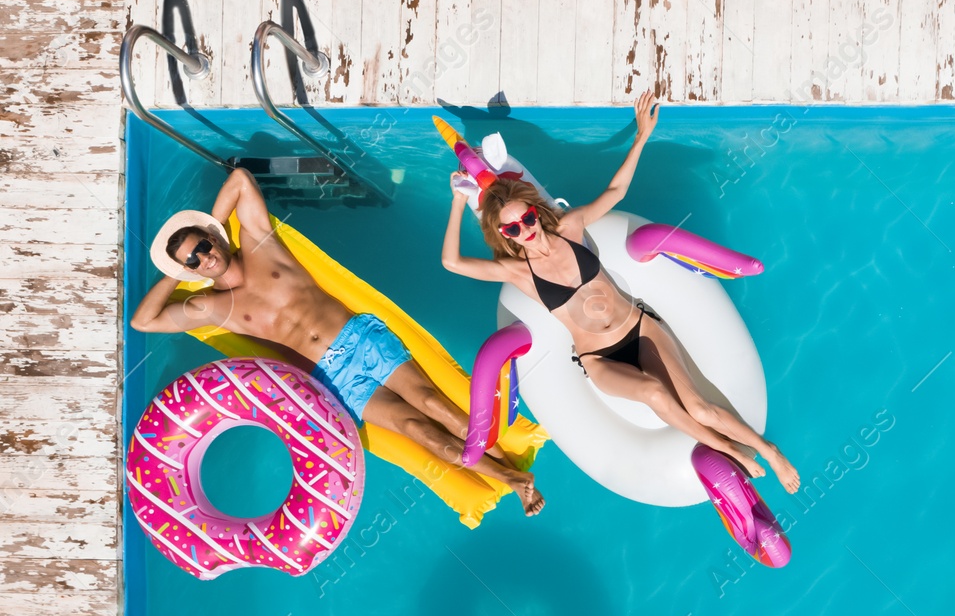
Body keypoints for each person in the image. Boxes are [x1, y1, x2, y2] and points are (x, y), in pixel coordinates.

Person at [439, 90, 800, 493]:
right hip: (597, 357)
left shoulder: (570, 228)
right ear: (503, 234)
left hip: (641, 328)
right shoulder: (518, 272)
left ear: (533, 210)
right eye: (513, 228)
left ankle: (769, 451)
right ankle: (732, 452)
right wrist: (457, 201)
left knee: (697, 405)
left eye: (526, 218)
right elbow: (451, 263)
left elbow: (615, 193)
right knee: (652, 394)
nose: (526, 229)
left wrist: (641, 136)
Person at [131, 167, 544, 515]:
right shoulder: (213, 307)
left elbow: (240, 178)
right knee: (418, 430)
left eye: (203, 245)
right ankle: (513, 479)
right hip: (335, 380)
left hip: (361, 340)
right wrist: (176, 272)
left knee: (435, 404)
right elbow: (144, 322)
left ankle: (509, 464)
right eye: (193, 259)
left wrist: (210, 225)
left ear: (215, 238)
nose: (204, 257)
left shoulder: (259, 245)